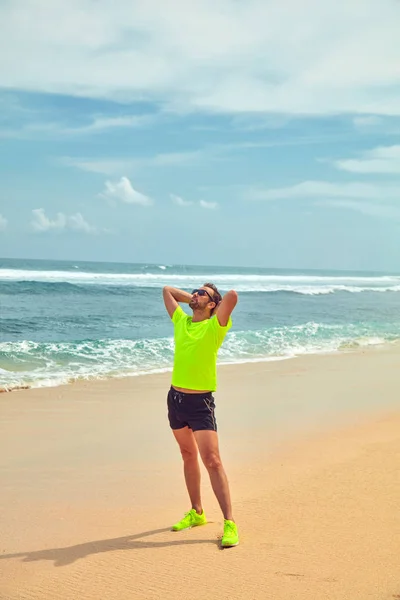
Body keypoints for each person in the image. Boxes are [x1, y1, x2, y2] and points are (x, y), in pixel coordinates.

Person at [162, 282, 239, 547]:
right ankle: (197, 512)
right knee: (187, 455)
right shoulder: (182, 322)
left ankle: (229, 523)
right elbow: (167, 290)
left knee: (212, 460)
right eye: (194, 291)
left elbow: (232, 296)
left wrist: (209, 301)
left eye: (201, 293)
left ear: (212, 305)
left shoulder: (215, 327)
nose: (194, 294)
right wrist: (196, 300)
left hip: (200, 402)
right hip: (176, 399)